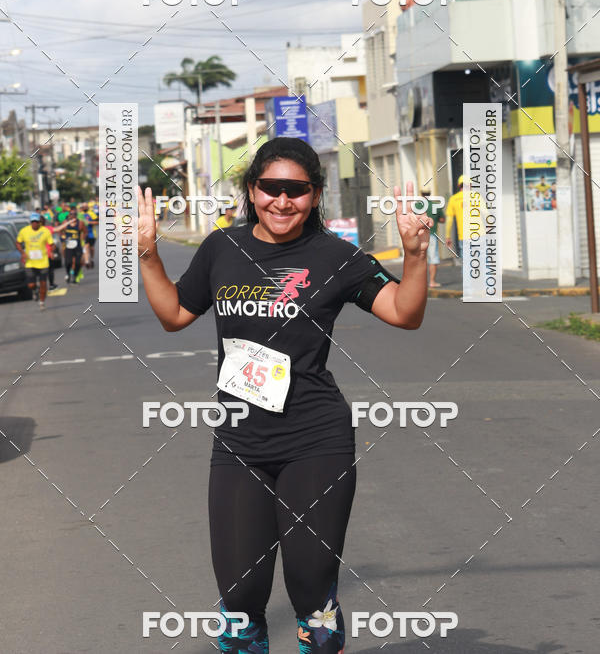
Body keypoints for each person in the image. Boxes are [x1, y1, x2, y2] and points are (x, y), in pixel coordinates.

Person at [137, 136, 432, 653]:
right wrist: (147, 254)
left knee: (310, 586)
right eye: (270, 187)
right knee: (240, 595)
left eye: (296, 190)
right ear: (252, 191)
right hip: (239, 443)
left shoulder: (335, 257)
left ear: (315, 196)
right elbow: (174, 316)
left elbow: (404, 313)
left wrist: (414, 255)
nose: (282, 200)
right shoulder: (222, 249)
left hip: (316, 439)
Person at [16, 212, 55, 311]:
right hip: (30, 262)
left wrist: (51, 251)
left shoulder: (45, 231)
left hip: (43, 262)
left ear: (39, 222)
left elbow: (51, 244)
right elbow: (18, 243)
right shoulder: (24, 231)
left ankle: (41, 302)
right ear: (30, 222)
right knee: (31, 284)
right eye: (33, 222)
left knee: (43, 283)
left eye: (36, 222)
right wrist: (22, 252)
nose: (34, 224)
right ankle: (34, 291)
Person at [422, 188, 445, 287]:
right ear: (430, 194)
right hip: (431, 234)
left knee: (420, 260)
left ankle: (420, 283)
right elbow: (442, 219)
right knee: (433, 258)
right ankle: (432, 281)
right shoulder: (435, 205)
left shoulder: (417, 205)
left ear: (421, 194)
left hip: (419, 235)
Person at [61, 206, 86, 283]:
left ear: (76, 215)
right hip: (68, 245)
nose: (72, 216)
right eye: (71, 214)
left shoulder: (80, 223)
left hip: (77, 245)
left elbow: (85, 232)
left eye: (74, 214)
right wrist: (63, 238)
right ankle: (68, 273)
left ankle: (75, 276)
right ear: (69, 215)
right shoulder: (65, 223)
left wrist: (82, 239)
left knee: (78, 262)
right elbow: (60, 230)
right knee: (68, 262)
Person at [445, 175, 464, 259]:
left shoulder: (453, 199)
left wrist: (448, 236)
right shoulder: (477, 197)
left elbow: (449, 220)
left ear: (459, 186)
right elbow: (486, 214)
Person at [79, 201, 98, 269]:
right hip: (84, 234)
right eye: (83, 207)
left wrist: (90, 222)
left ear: (87, 207)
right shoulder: (80, 214)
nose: (84, 207)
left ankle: (92, 259)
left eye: (86, 206)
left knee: (92, 248)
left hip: (92, 233)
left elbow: (97, 222)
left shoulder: (91, 213)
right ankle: (87, 261)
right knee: (86, 246)